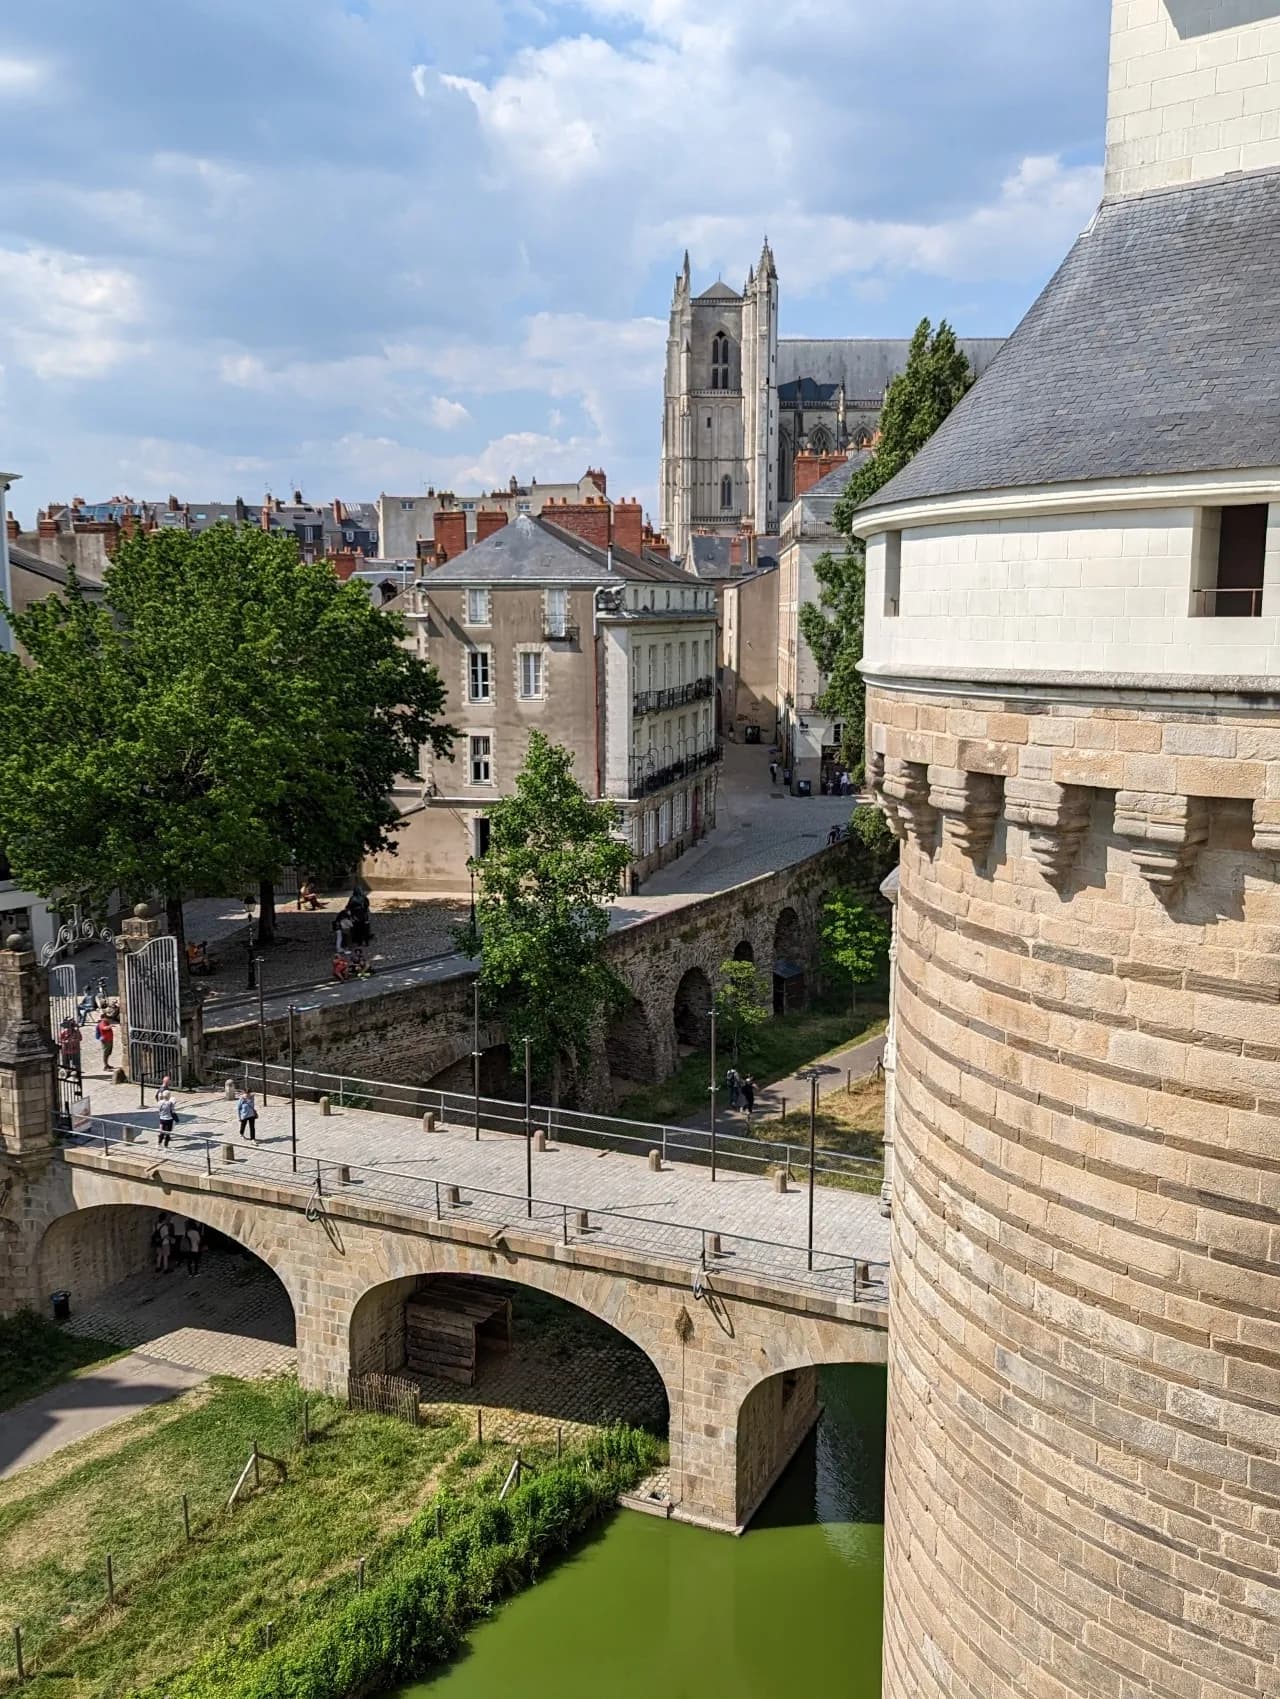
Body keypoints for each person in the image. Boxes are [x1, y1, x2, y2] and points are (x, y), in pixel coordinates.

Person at [58, 1018, 82, 1089]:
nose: (69, 1028)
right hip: (65, 1050)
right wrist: (66, 1042)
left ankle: (77, 1075)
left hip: (75, 1050)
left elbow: (80, 1038)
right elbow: (60, 1040)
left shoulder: (76, 1032)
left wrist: (75, 1040)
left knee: (76, 1064)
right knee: (66, 1064)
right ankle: (66, 1075)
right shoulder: (63, 1032)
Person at [156, 1083, 176, 1149]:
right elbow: (172, 1111)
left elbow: (159, 1110)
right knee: (168, 1133)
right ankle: (166, 1146)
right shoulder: (170, 1103)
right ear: (169, 1096)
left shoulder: (160, 1102)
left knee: (161, 1132)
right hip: (169, 1119)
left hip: (162, 1119)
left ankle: (158, 1144)